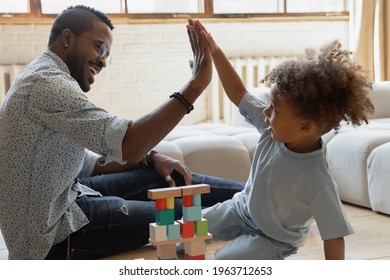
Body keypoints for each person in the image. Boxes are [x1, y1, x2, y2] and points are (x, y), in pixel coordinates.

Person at [0, 7, 244, 260]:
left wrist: (149, 158)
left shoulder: (45, 76)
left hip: (71, 196)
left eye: (107, 54)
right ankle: (255, 209)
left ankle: (256, 194)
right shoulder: (48, 84)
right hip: (49, 235)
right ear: (68, 38)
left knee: (164, 176)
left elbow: (88, 164)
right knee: (180, 212)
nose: (103, 60)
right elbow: (129, 145)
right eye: (99, 47)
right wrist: (195, 85)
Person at [190, 20, 375, 259]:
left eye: (275, 109)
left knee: (225, 261)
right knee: (183, 230)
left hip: (274, 239)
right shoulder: (272, 128)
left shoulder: (317, 177)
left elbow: (333, 236)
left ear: (305, 126)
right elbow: (238, 93)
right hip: (240, 210)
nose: (266, 112)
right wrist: (215, 51)